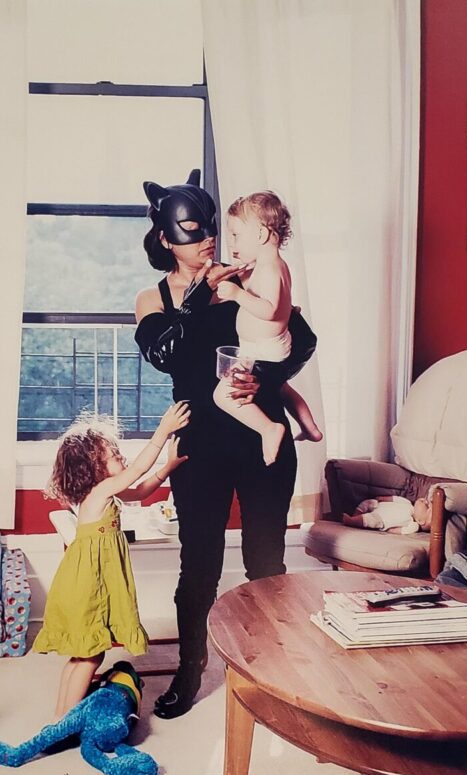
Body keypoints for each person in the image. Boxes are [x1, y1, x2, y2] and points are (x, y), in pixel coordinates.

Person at [134, 170, 317, 719]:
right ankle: (190, 670)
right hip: (200, 441)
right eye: (192, 231)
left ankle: (272, 672)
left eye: (212, 228)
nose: (209, 239)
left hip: (261, 431)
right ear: (166, 239)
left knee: (266, 561)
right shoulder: (152, 297)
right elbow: (164, 354)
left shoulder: (249, 275)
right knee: (200, 563)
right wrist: (201, 296)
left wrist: (265, 378)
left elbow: (301, 340)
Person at [34, 403, 190, 722]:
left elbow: (141, 490)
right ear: (93, 469)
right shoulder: (101, 491)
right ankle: (66, 722)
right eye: (114, 454)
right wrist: (162, 432)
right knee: (92, 655)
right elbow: (138, 471)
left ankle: (59, 718)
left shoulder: (103, 493)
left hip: (85, 579)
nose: (122, 457)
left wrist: (169, 467)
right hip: (89, 583)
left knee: (82, 655)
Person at [214, 191, 323, 465]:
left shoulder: (272, 269)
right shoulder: (267, 265)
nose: (232, 243)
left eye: (236, 235)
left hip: (263, 351)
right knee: (281, 388)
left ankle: (268, 429)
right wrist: (242, 277)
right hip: (264, 349)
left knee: (222, 395)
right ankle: (310, 428)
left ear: (261, 234)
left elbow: (270, 309)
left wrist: (237, 294)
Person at [342, 495, 432, 535]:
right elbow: (395, 499)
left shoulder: (413, 525)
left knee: (370, 520)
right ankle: (356, 515)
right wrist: (384, 498)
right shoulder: (408, 503)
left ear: (420, 521)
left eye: (427, 506)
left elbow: (403, 531)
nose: (425, 501)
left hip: (381, 519)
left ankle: (352, 521)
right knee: (369, 502)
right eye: (428, 502)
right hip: (379, 506)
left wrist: (392, 530)